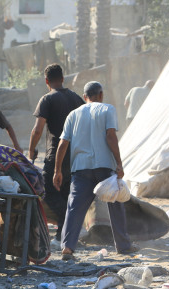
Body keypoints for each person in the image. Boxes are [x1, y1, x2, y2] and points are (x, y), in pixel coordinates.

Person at [54, 81, 137, 260]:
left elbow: (63, 143)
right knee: (115, 203)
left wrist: (57, 170)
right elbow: (110, 136)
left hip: (80, 168)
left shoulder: (73, 114)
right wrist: (119, 163)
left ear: (85, 97)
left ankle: (67, 247)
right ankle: (123, 245)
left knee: (74, 208)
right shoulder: (108, 109)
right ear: (101, 95)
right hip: (104, 166)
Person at [28, 64, 84, 245]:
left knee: (49, 190)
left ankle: (63, 228)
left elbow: (38, 130)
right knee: (67, 193)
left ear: (46, 81)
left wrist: (31, 150)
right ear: (62, 78)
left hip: (55, 155)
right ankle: (65, 234)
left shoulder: (47, 99)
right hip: (74, 155)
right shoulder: (76, 99)